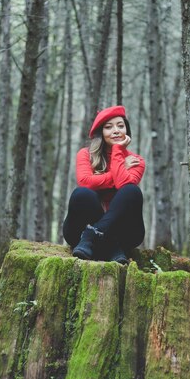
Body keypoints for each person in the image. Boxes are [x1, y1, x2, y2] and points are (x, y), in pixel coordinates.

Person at [63, 105, 145, 264]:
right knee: (82, 194)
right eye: (109, 127)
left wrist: (118, 152)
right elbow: (86, 182)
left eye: (120, 126)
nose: (116, 130)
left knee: (132, 191)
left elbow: (124, 184)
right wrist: (120, 167)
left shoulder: (136, 161)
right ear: (101, 132)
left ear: (126, 130)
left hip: (123, 234)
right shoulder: (85, 155)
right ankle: (111, 248)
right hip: (79, 232)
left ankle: (93, 235)